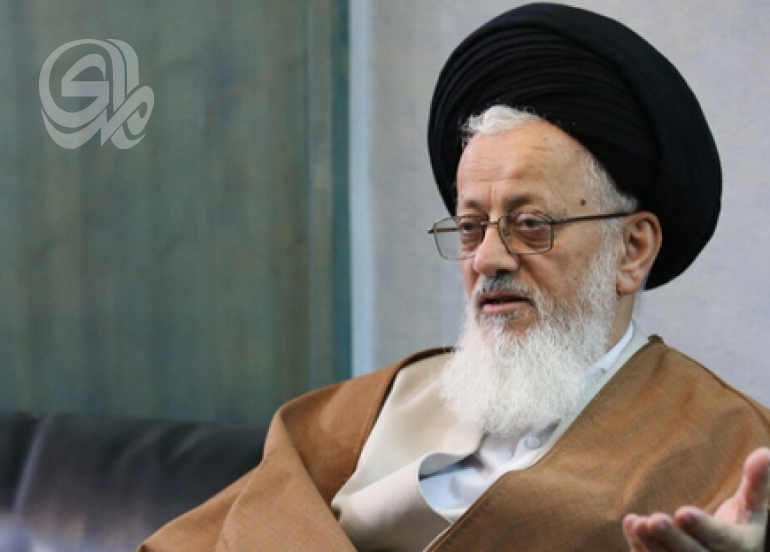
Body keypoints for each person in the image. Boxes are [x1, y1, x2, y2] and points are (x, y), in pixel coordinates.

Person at [139, 3, 770, 551]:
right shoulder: (379, 406)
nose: (488, 259)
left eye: (529, 224)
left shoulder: (732, 447)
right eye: (470, 228)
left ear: (632, 250)